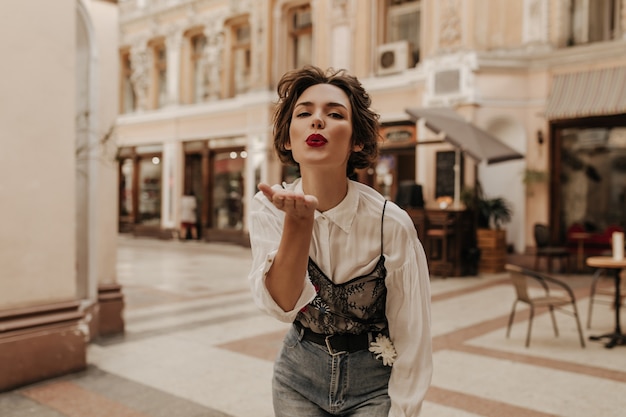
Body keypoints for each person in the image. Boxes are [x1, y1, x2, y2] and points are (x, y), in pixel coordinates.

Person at [247, 66, 432, 416]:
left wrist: (406, 408)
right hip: (296, 380)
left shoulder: (389, 223)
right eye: (304, 113)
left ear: (357, 139)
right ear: (288, 138)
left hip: (374, 388)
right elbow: (283, 305)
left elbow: (412, 332)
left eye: (334, 114)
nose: (317, 121)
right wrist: (298, 226)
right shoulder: (269, 209)